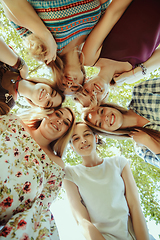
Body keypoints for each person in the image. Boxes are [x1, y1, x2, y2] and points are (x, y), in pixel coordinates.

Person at [1, 0, 133, 94]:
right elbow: (108, 7)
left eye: (63, 85)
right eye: (75, 87)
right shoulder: (93, 42)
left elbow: (10, 3)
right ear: (84, 77)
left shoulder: (43, 49)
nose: (69, 84)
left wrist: (45, 35)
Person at [64, 122, 150, 240]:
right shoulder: (70, 174)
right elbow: (82, 221)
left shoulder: (119, 163)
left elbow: (135, 206)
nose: (83, 140)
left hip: (135, 235)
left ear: (96, 138)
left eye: (87, 134)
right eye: (76, 138)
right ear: (72, 147)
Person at [0, 106, 75, 239]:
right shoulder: (14, 122)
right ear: (47, 114)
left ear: (65, 133)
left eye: (66, 123)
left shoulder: (56, 165)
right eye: (58, 114)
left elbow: (41, 207)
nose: (59, 121)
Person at [83, 78, 160, 168]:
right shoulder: (142, 149)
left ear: (108, 106)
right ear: (105, 131)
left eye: (102, 111)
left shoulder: (140, 92)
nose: (105, 118)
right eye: (100, 124)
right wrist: (148, 141)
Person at [81, 0, 160, 86]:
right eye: (94, 99)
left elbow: (111, 14)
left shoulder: (89, 58)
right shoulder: (131, 77)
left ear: (86, 79)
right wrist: (133, 73)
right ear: (105, 97)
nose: (93, 93)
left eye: (86, 92)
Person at [0, 37, 65, 114]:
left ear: (39, 106)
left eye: (48, 103)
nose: (47, 96)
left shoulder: (6, 105)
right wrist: (22, 67)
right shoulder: (18, 65)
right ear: (48, 84)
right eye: (52, 93)